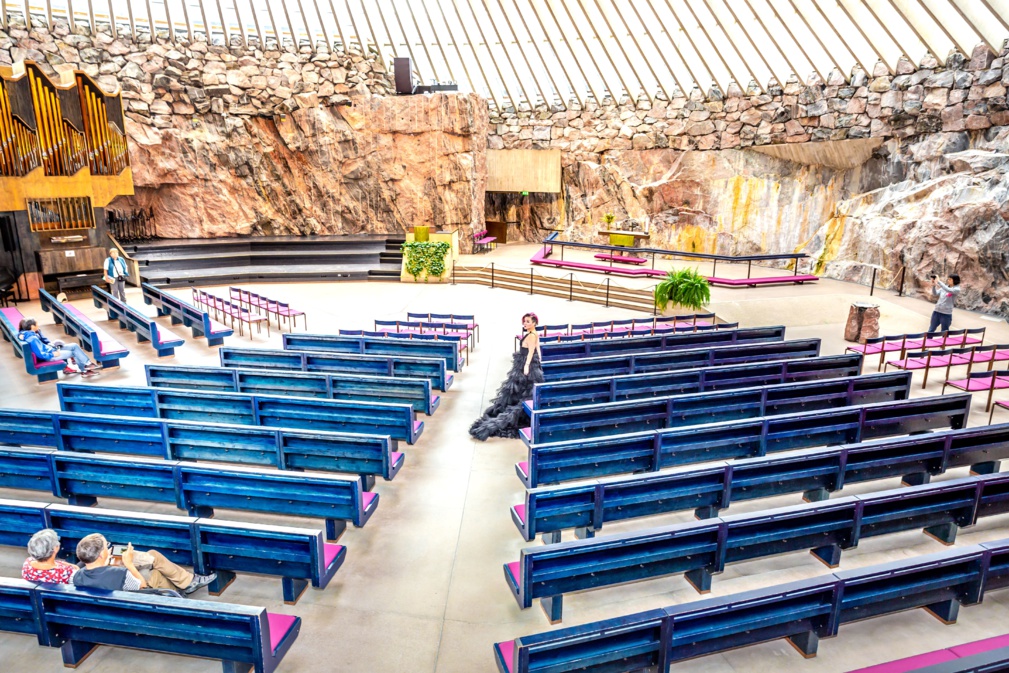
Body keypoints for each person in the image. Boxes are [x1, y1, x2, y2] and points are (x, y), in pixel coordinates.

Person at [470, 312, 544, 440]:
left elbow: (532, 351)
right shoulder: (534, 334)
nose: (525, 323)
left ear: (534, 323)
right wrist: (539, 362)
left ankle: (508, 419)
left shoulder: (532, 336)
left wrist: (527, 365)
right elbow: (538, 350)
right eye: (524, 321)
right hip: (528, 364)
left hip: (525, 365)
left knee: (519, 390)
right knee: (518, 390)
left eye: (528, 321)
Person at [72, 532, 216, 595]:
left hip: (110, 593)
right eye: (107, 546)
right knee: (154, 574)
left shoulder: (77, 576)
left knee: (152, 557)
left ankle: (185, 583)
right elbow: (140, 585)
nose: (109, 548)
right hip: (132, 599)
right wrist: (128, 564)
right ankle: (179, 593)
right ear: (102, 554)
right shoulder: (119, 573)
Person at [18, 317, 100, 377]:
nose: (38, 325)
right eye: (37, 324)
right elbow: (40, 354)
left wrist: (52, 345)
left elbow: (22, 334)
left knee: (74, 346)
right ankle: (85, 370)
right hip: (50, 355)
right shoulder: (33, 338)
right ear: (32, 326)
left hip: (50, 349)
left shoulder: (28, 334)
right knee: (73, 352)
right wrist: (53, 354)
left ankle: (87, 365)